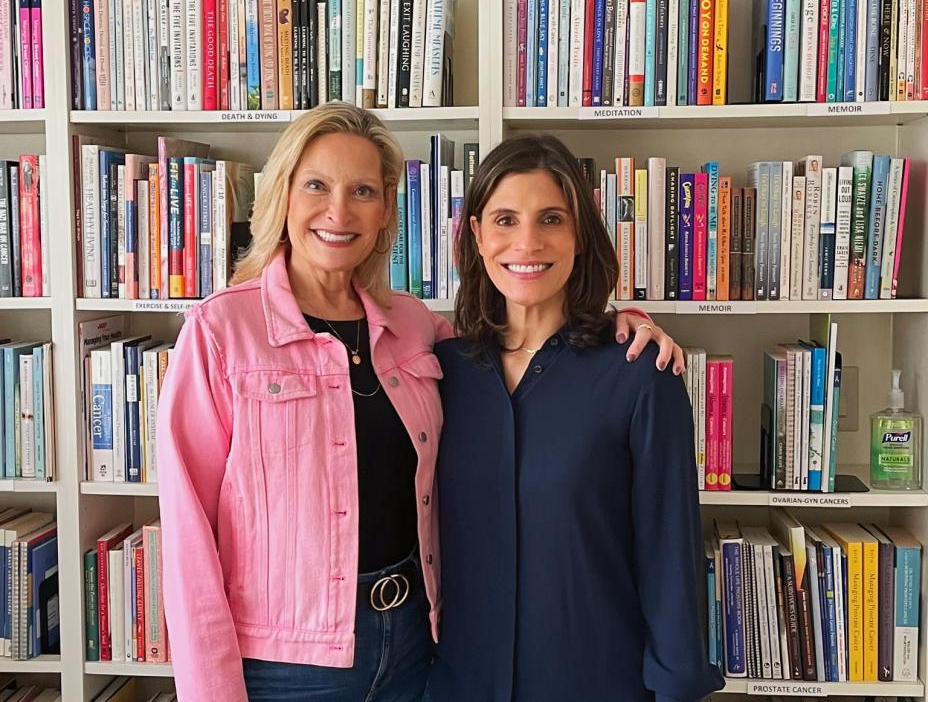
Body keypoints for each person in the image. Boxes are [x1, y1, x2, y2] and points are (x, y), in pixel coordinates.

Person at [156, 102, 683, 702]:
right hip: (285, 668)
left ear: (385, 211)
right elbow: (187, 538)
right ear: (283, 194)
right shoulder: (222, 331)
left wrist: (620, 324)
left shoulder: (411, 326)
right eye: (317, 185)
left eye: (362, 190)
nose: (338, 211)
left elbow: (526, 341)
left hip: (415, 644)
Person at [426, 134, 725, 701]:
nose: (528, 242)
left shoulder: (641, 372)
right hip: (461, 683)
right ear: (477, 236)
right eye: (506, 220)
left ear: (580, 235)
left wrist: (678, 687)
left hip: (597, 680)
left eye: (551, 219)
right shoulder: (441, 374)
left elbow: (670, 558)